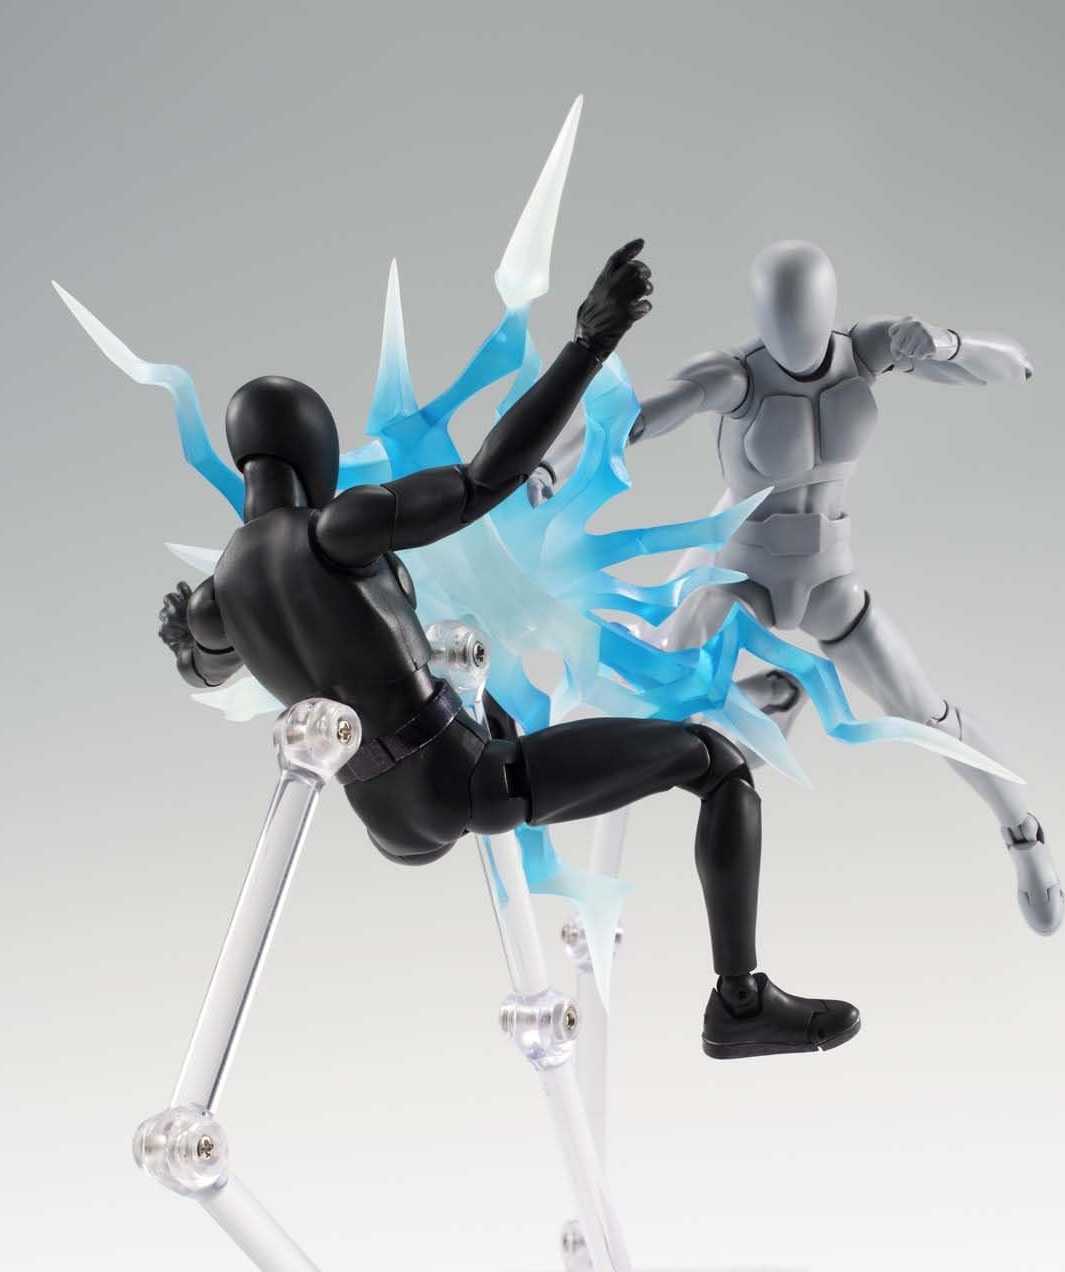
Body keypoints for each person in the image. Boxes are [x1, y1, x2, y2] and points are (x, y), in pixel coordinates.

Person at [157, 242, 860, 1059]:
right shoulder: (333, 529)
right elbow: (486, 477)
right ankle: (737, 1003)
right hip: (463, 779)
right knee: (716, 764)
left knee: (526, 714)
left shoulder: (218, 596)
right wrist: (588, 344)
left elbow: (203, 664)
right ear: (314, 450)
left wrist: (182, 637)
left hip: (384, 811)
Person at [530, 240, 1063, 935]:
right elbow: (634, 419)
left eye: (806, 311)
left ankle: (1024, 834)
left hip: (829, 581)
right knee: (656, 698)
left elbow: (1013, 364)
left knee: (925, 715)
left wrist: (944, 343)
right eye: (780, 313)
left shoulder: (866, 350)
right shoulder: (733, 377)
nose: (795, 330)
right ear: (761, 312)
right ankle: (582, 872)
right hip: (738, 576)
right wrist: (549, 464)